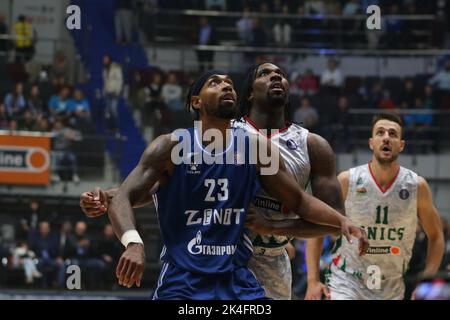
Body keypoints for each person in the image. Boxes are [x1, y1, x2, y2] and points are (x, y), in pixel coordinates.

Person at [81, 70, 367, 299]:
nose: (226, 86)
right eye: (215, 83)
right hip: (184, 280)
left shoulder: (256, 148)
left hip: (238, 278)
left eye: (229, 83)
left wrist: (342, 221)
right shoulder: (173, 145)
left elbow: (300, 201)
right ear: (196, 101)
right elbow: (129, 194)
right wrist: (132, 243)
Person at [309, 113, 445, 300]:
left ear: (401, 145)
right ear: (371, 143)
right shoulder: (347, 181)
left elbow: (437, 237)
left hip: (392, 286)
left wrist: (426, 283)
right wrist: (312, 280)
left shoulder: (417, 186)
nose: (386, 137)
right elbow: (316, 226)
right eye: (380, 133)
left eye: (392, 133)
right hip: (347, 282)